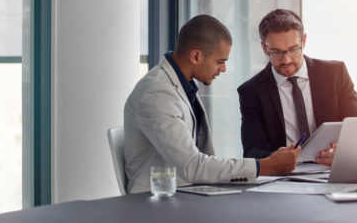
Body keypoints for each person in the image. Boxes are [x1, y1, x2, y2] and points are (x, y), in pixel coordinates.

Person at [124, 14, 300, 194]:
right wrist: (265, 166)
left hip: (186, 193)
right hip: (156, 203)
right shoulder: (157, 94)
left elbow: (202, 160)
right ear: (196, 56)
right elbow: (192, 165)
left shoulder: (182, 86)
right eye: (220, 61)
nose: (223, 69)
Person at [237, 9, 357, 166]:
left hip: (333, 169)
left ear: (304, 41)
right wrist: (276, 160)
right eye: (276, 52)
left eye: (293, 50)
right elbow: (253, 151)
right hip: (285, 176)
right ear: (264, 48)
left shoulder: (335, 74)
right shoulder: (251, 91)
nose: (286, 60)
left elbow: (354, 126)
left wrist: (344, 152)